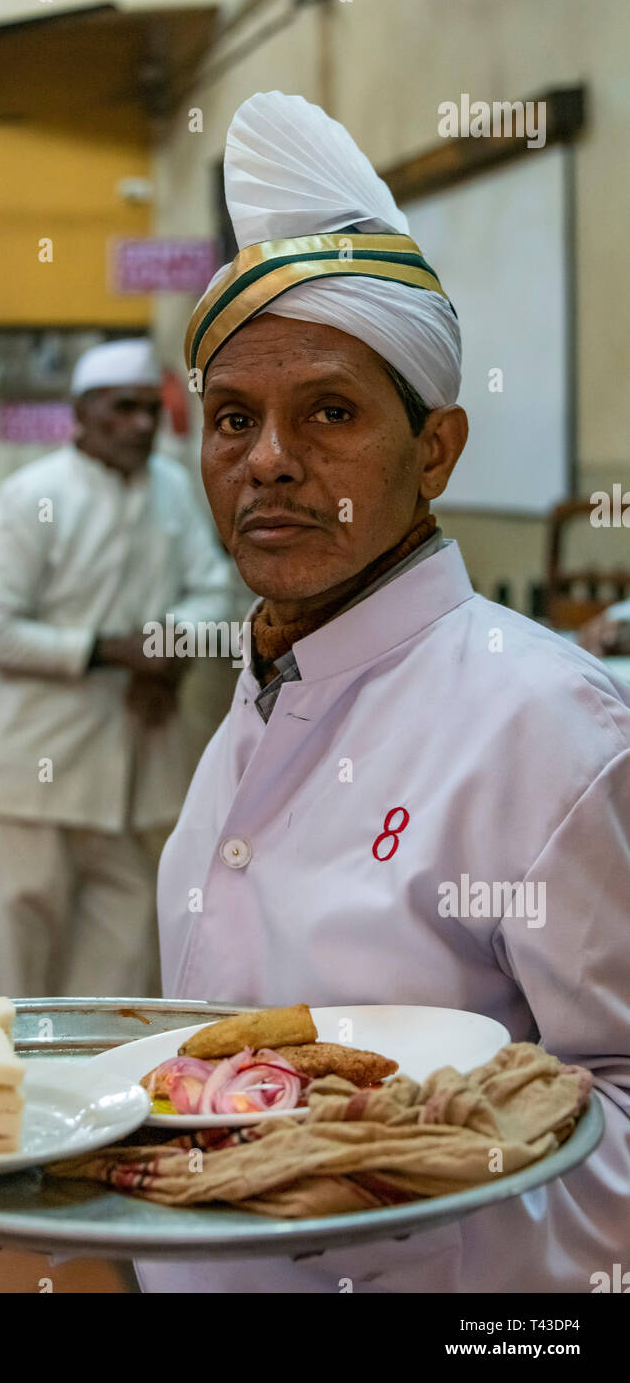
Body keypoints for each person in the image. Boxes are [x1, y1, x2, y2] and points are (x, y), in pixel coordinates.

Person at [130, 91, 630, 1293]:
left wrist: (371, 1195)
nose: (268, 460)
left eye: (331, 413)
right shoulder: (264, 693)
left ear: (437, 451)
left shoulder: (544, 725)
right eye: (234, 417)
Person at [0, 338, 232, 1000]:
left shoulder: (170, 487)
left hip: (135, 776)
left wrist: (169, 648)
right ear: (81, 413)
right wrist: (112, 650)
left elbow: (213, 589)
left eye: (149, 409)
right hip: (27, 783)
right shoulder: (30, 497)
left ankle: (99, 1103)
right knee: (15, 987)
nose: (140, 424)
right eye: (122, 409)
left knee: (120, 985)